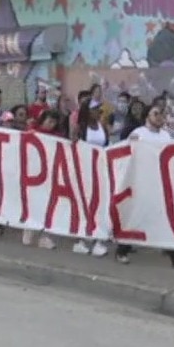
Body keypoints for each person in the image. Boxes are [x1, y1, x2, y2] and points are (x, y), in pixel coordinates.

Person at [115, 106, 174, 268]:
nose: (159, 117)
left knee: (166, 219)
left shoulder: (166, 136)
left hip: (160, 184)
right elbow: (128, 155)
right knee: (138, 217)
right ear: (147, 117)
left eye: (161, 114)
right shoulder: (139, 134)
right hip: (142, 184)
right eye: (155, 114)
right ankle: (122, 250)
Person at [72, 102, 109, 257]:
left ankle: (96, 238)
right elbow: (73, 147)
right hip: (84, 170)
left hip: (99, 171)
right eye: (94, 109)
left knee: (99, 204)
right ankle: (81, 241)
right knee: (85, 204)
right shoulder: (80, 128)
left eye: (99, 109)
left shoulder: (102, 127)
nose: (98, 112)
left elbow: (107, 145)